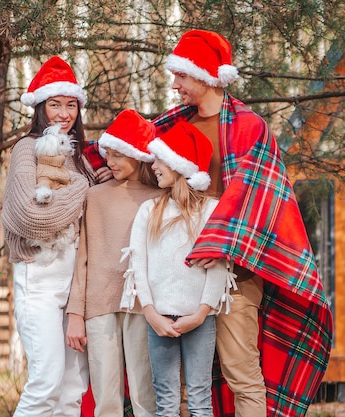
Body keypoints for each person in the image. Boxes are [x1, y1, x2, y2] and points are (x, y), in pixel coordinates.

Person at [153, 30, 333, 417]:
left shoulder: (249, 127)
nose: (175, 84)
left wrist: (215, 242)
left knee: (241, 373)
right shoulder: (170, 126)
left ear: (203, 74)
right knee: (182, 379)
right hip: (179, 271)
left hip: (237, 273)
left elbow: (255, 202)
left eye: (181, 75)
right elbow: (134, 160)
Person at [1, 56, 99, 416]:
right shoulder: (27, 148)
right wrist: (82, 189)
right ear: (40, 107)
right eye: (55, 104)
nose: (64, 113)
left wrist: (85, 183)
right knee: (45, 383)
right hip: (39, 279)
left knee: (73, 389)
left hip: (73, 286)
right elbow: (33, 220)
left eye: (70, 104)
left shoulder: (81, 159)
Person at [122, 121, 232, 417]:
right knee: (166, 399)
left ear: (178, 165)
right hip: (158, 319)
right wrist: (150, 312)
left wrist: (200, 313)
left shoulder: (210, 211)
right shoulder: (149, 211)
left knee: (199, 397)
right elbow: (138, 266)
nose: (153, 165)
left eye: (159, 159)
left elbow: (218, 268)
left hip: (200, 318)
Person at [65, 109, 161, 417]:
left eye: (120, 156)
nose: (111, 162)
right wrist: (76, 313)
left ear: (138, 156)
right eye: (110, 154)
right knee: (106, 396)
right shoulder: (94, 197)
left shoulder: (158, 198)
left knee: (145, 390)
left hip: (141, 304)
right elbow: (83, 259)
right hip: (98, 305)